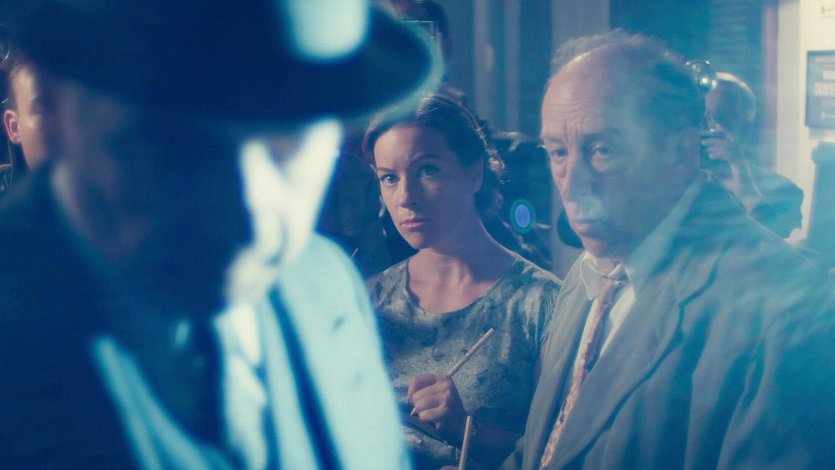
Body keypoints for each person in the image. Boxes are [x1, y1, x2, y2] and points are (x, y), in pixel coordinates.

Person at [0, 0, 434, 468]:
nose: (249, 209)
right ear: (57, 102)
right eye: (180, 140)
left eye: (290, 132)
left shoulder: (326, 283)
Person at [508, 30, 835, 469]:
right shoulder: (590, 273)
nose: (572, 183)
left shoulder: (784, 307)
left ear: (681, 152)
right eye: (558, 152)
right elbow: (554, 444)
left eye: (603, 150)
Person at [364, 94, 561, 469]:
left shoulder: (542, 303)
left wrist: (464, 428)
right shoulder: (371, 299)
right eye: (389, 178)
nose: (406, 197)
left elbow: (561, 451)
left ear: (474, 173)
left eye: (427, 170)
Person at [702, 71, 803, 238]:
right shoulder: (675, 182)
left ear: (745, 129)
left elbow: (779, 246)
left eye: (721, 119)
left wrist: (744, 185)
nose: (710, 128)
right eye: (704, 119)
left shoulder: (783, 190)